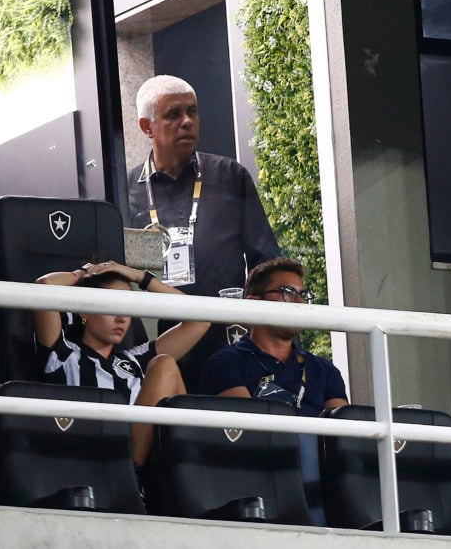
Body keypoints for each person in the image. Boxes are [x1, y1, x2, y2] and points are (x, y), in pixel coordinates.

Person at [126, 74, 281, 392]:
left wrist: (270, 333)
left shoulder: (228, 176)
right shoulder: (125, 191)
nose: (187, 121)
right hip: (160, 340)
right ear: (147, 127)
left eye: (192, 111)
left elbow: (266, 261)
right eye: (173, 114)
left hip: (227, 337)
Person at [200, 256, 347, 525]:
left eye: (303, 295)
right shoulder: (225, 362)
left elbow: (345, 436)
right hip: (258, 474)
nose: (300, 303)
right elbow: (247, 436)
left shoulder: (325, 369)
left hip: (322, 478)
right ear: (254, 303)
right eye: (288, 293)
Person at [33, 260, 210, 467]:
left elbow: (200, 319)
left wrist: (138, 276)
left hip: (148, 466)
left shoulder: (134, 360)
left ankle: (187, 475)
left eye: (126, 307)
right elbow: (44, 286)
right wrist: (82, 273)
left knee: (164, 365)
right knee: (164, 365)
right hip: (97, 463)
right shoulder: (64, 355)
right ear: (84, 311)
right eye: (112, 306)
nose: (121, 318)